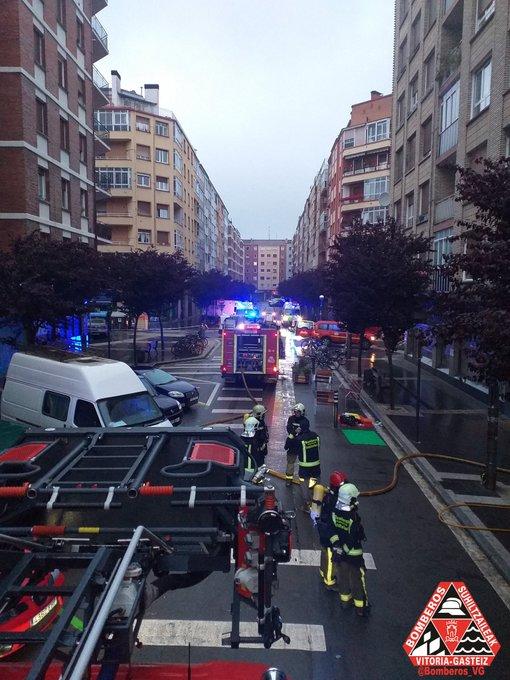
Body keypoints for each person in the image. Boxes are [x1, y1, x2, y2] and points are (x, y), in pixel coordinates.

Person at [329, 483, 369, 616]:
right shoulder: (353, 517)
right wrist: (345, 550)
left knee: (343, 578)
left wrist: (338, 547)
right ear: (350, 499)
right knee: (357, 579)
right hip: (353, 554)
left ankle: (345, 602)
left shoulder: (335, 512)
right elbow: (353, 537)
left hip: (339, 553)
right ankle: (360, 607)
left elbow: (332, 530)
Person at [311, 471, 349, 589]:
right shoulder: (334, 500)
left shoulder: (328, 496)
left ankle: (323, 571)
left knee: (324, 552)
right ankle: (330, 581)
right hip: (329, 531)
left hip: (323, 528)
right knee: (331, 555)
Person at [295, 421, 320, 510]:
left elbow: (294, 449)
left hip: (304, 467)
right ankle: (316, 501)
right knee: (314, 483)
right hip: (316, 465)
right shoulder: (315, 435)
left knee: (304, 484)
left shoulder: (300, 439)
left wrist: (296, 434)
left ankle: (306, 504)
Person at [284, 403, 310, 487]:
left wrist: (296, 432)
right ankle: (289, 479)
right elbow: (289, 429)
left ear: (302, 412)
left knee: (303, 462)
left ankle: (303, 480)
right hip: (292, 444)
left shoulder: (305, 421)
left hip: (301, 445)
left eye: (297, 412)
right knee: (290, 462)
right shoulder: (291, 419)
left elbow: (304, 432)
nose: (295, 413)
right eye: (295, 412)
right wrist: (295, 432)